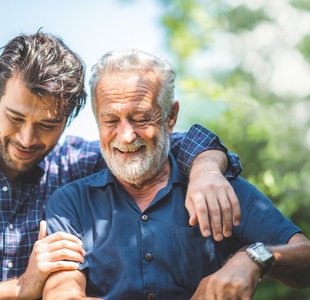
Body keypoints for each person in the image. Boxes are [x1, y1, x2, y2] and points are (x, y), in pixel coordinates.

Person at [43, 49, 310, 299]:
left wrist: (254, 257)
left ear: (170, 117)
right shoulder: (71, 202)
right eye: (110, 120)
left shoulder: (217, 188)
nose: (126, 135)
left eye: (141, 118)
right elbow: (61, 292)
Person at [0, 33, 244, 299]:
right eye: (14, 117)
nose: (27, 138)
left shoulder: (74, 163)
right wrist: (21, 286)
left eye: (48, 125)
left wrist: (205, 169)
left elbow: (163, 143)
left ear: (67, 119)